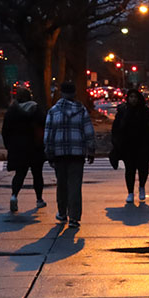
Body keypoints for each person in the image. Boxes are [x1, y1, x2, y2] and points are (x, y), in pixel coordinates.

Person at [43, 81, 95, 229]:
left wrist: (49, 152)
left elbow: (48, 134)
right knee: (75, 185)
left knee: (61, 185)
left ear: (61, 93)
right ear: (74, 94)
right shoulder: (82, 110)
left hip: (59, 153)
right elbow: (88, 132)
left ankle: (62, 212)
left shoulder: (53, 111)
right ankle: (74, 217)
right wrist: (90, 150)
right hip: (77, 153)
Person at [1, 86, 46, 213]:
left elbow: (5, 131)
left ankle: (14, 195)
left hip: (18, 148)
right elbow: (44, 125)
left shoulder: (12, 111)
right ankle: (39, 199)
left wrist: (8, 145)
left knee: (20, 174)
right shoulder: (36, 110)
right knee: (37, 174)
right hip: (35, 147)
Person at [110, 88, 149, 203]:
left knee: (143, 168)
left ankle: (142, 186)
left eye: (135, 97)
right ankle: (130, 192)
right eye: (131, 97)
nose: (133, 99)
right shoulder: (123, 112)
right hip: (128, 145)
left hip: (143, 145)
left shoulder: (145, 112)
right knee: (130, 170)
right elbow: (116, 128)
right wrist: (117, 142)